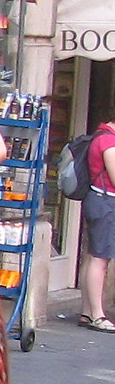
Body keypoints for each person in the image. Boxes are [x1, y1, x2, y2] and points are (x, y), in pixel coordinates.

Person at [80, 114, 115, 334]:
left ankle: (86, 310)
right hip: (105, 201)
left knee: (92, 255)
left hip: (96, 199)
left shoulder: (99, 136)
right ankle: (97, 314)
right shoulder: (109, 142)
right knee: (100, 259)